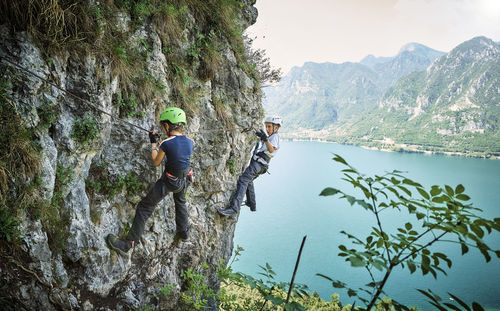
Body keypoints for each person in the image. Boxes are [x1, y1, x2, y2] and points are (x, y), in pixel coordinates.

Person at [106, 107, 194, 256]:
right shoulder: (190, 142)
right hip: (184, 179)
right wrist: (161, 142)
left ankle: (128, 244)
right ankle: (183, 232)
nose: (162, 128)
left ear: (168, 125)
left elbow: (155, 161)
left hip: (169, 182)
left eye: (162, 125)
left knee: (144, 207)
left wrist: (154, 143)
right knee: (180, 202)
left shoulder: (166, 144)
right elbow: (176, 153)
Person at [218, 116, 282, 217]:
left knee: (243, 180)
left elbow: (271, 150)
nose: (267, 129)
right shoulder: (271, 137)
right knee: (248, 180)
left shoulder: (275, 137)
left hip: (259, 164)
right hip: (260, 164)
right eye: (266, 127)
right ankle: (252, 203)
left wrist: (265, 139)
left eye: (269, 127)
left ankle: (234, 209)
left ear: (276, 128)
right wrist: (262, 136)